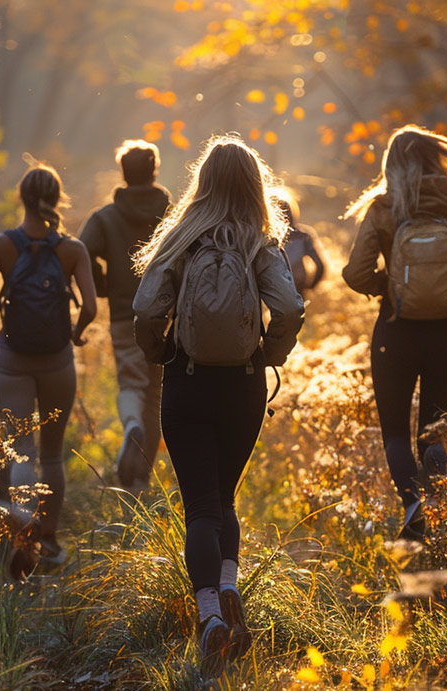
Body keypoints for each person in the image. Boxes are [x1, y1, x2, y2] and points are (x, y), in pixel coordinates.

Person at [132, 135, 304, 678]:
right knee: (223, 498)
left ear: (202, 182)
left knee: (201, 505)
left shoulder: (181, 236)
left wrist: (158, 350)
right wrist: (267, 353)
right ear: (255, 185)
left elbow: (144, 307)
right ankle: (229, 586)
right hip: (243, 386)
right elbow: (291, 308)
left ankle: (210, 619)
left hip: (187, 381)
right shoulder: (259, 241)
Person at [342, 124, 447, 540]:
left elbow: (357, 274)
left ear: (392, 164)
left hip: (394, 334)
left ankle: (414, 507)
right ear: (438, 158)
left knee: (395, 432)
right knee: (434, 430)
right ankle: (435, 511)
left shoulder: (383, 207)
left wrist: (390, 289)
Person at [0, 164, 97, 570]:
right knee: (52, 456)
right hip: (58, 362)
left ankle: (20, 539)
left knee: (22, 452)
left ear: (21, 197)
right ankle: (48, 541)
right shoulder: (72, 248)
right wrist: (77, 333)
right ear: (57, 197)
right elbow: (93, 307)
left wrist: (1, 300)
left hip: (10, 362)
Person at [79, 140, 171, 492]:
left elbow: (80, 253)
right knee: (156, 394)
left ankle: (129, 423)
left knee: (132, 383)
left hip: (124, 314)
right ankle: (141, 478)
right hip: (166, 315)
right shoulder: (172, 214)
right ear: (154, 170)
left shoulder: (104, 218)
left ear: (123, 172)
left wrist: (103, 286)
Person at [278, 194, 325, 297]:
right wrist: (310, 287)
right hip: (298, 287)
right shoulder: (304, 236)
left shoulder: (266, 238)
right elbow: (320, 265)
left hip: (273, 291)